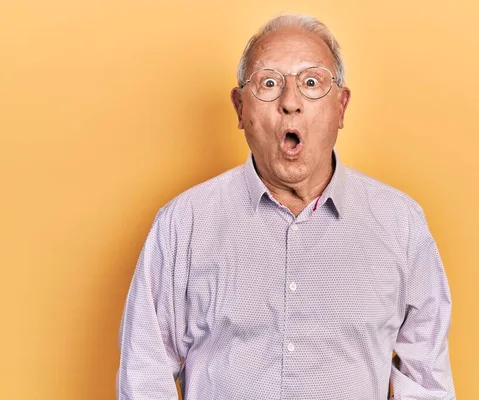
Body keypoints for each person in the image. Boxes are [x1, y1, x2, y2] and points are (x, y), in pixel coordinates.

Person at [117, 14, 456, 400]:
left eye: (311, 83)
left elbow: (426, 381)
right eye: (269, 84)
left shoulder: (401, 224)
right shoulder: (184, 224)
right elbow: (145, 373)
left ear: (341, 107)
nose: (290, 102)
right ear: (240, 108)